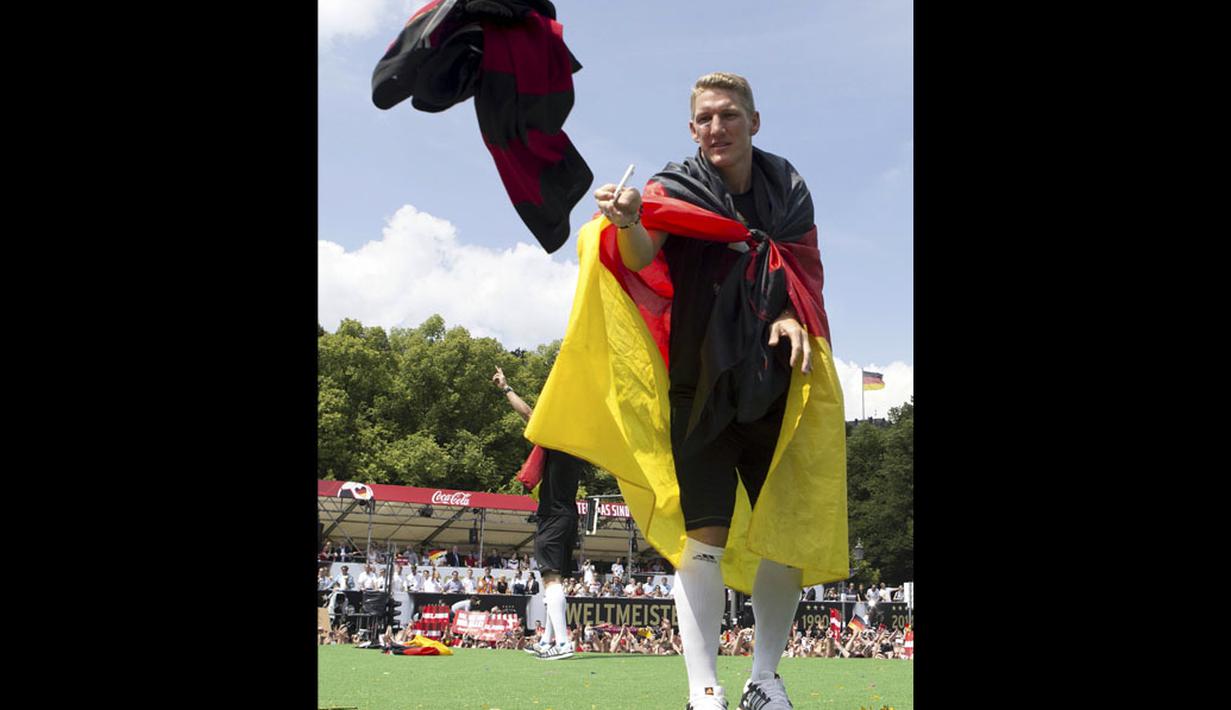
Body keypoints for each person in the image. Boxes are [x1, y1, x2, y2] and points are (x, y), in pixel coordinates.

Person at [591, 72, 843, 710]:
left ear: (754, 122)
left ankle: (764, 679)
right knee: (703, 536)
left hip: (775, 385)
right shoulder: (673, 188)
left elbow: (800, 274)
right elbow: (646, 255)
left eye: (728, 115)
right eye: (704, 118)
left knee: (783, 528)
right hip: (697, 386)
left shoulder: (788, 189)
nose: (715, 128)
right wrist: (627, 222)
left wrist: (788, 316)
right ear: (691, 127)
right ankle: (704, 689)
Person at [494, 365, 581, 661]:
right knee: (551, 580)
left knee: (551, 580)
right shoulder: (578, 446)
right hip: (568, 515)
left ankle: (563, 644)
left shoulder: (557, 442)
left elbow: (529, 414)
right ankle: (547, 641)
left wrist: (506, 388)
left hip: (553, 517)